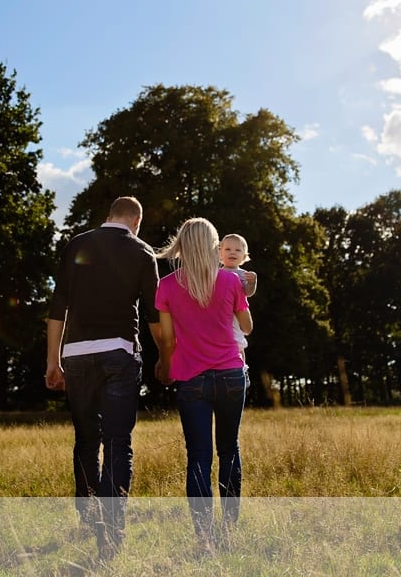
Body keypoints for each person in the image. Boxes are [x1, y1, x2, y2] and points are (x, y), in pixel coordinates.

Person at [46, 196, 161, 560]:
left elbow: (58, 306)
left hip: (76, 355)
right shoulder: (142, 252)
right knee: (117, 443)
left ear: (109, 214)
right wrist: (167, 356)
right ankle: (110, 532)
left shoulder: (76, 244)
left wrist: (52, 361)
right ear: (136, 222)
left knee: (85, 438)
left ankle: (88, 514)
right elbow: (154, 315)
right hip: (119, 353)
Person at [155, 218, 253, 552]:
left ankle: (204, 537)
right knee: (229, 450)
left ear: (181, 245)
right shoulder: (229, 280)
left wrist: (165, 365)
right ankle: (229, 530)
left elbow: (168, 339)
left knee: (198, 456)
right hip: (231, 375)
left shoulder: (167, 285)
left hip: (190, 379)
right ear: (214, 246)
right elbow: (247, 327)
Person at [218, 233, 258, 358]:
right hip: (220, 313)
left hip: (237, 314)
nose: (232, 252)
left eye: (237, 250)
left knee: (237, 341)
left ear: (244, 256)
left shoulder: (243, 274)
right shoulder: (216, 273)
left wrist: (252, 282)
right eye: (228, 249)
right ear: (220, 253)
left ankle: (242, 366)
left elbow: (248, 292)